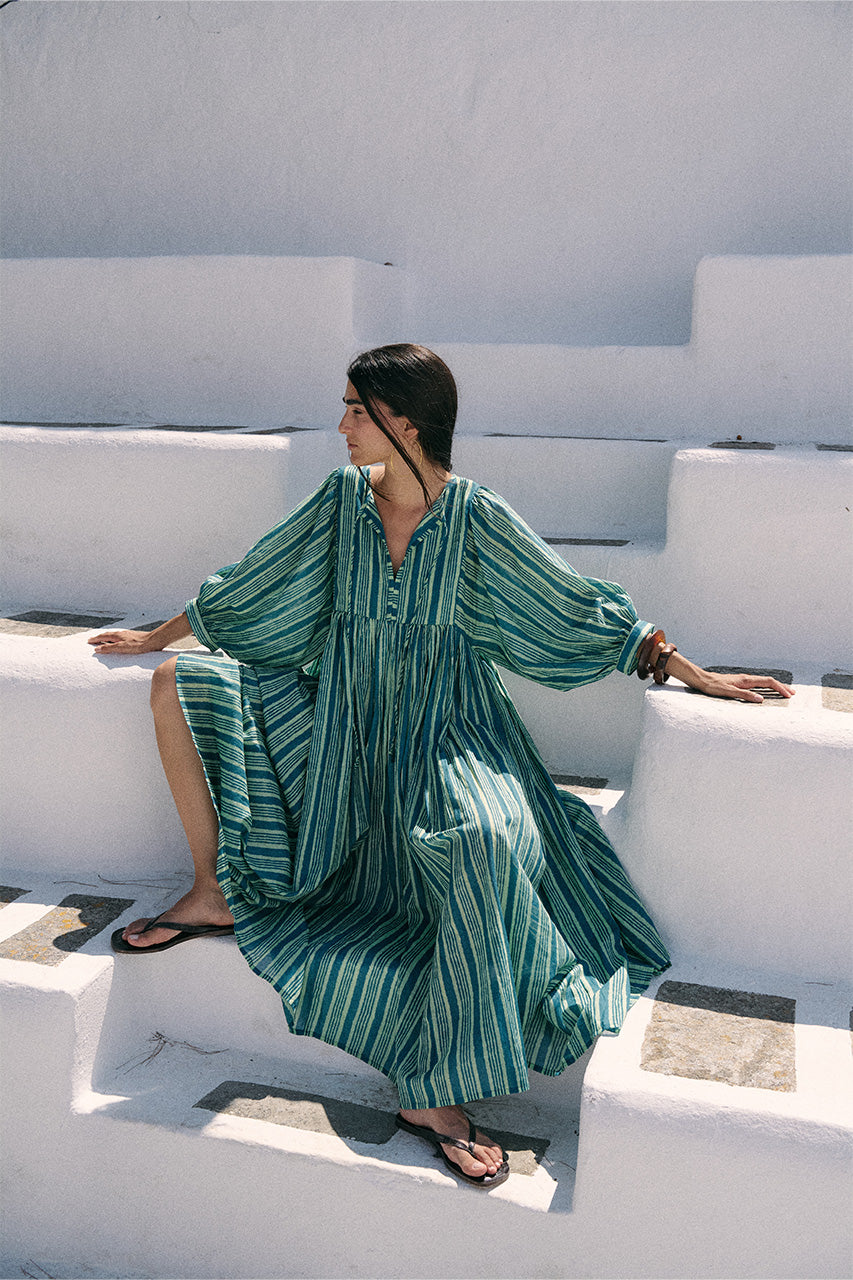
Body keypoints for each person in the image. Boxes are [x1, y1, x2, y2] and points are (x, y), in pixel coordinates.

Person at [90, 344, 794, 1189]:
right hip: (343, 724)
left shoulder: (474, 516)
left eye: (357, 409)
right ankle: (213, 892)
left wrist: (693, 673)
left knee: (486, 839)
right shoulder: (341, 500)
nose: (342, 425)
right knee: (175, 683)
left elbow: (570, 605)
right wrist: (157, 637)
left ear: (405, 422)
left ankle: (435, 1091)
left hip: (449, 731)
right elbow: (252, 583)